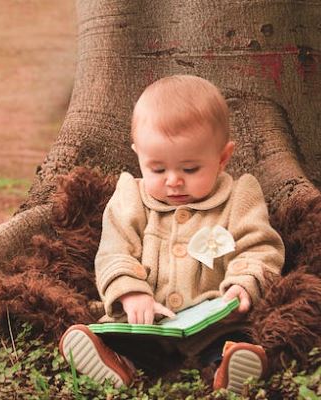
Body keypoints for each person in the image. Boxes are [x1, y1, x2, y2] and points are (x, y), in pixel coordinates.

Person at [58, 75, 285, 394]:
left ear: (222, 158)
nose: (174, 181)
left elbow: (258, 247)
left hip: (213, 322)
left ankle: (229, 369)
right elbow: (114, 251)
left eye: (190, 169)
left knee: (236, 341)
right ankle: (117, 363)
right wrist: (131, 291)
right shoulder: (130, 197)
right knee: (122, 337)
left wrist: (244, 282)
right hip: (146, 323)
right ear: (138, 154)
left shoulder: (239, 197)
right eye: (158, 169)